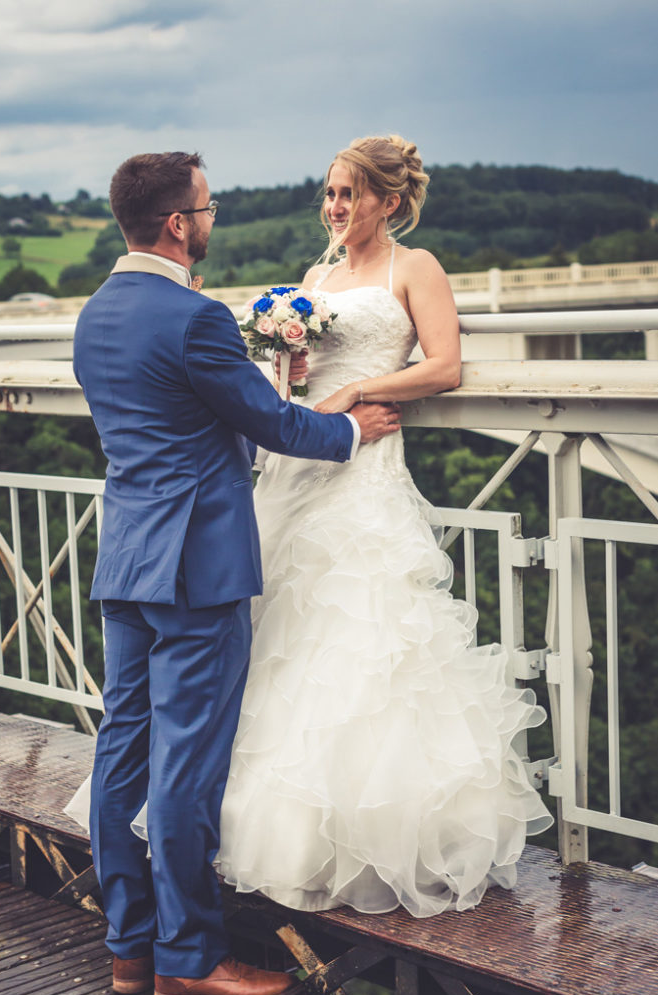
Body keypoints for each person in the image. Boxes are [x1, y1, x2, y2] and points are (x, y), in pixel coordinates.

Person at [68, 150, 400, 995]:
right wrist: (351, 430)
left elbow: (174, 422)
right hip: (197, 570)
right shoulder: (194, 317)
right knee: (185, 767)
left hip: (127, 559)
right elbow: (265, 422)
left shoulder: (95, 315)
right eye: (207, 208)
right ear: (178, 223)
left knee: (121, 751)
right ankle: (188, 960)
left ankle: (128, 950)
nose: (213, 220)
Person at [211, 134, 553, 916]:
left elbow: (443, 366)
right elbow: (295, 380)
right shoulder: (316, 276)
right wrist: (290, 369)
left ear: (387, 203)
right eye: (328, 194)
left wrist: (355, 388)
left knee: (364, 630)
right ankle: (257, 819)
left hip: (364, 465)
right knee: (276, 623)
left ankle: (362, 833)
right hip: (301, 460)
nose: (333, 208)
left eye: (348, 194)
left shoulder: (415, 267)